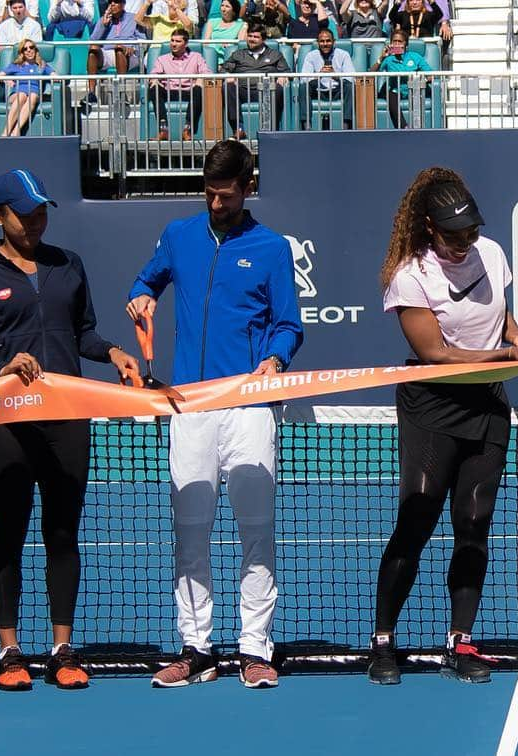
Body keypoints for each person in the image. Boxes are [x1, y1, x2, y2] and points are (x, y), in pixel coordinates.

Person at [0, 169, 138, 692]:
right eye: (24, 213)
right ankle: (9, 651)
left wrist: (115, 352)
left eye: (41, 211)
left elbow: (84, 334)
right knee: (8, 535)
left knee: (62, 534)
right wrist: (2, 366)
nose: (35, 221)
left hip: (66, 422)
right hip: (8, 423)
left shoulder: (68, 265)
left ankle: (62, 648)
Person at [127, 140, 303, 690]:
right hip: (190, 408)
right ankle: (196, 648)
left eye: (225, 194)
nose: (216, 203)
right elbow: (145, 281)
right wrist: (141, 298)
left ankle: (255, 648)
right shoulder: (179, 236)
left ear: (247, 188)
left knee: (256, 531)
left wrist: (275, 358)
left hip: (249, 409)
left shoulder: (272, 249)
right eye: (208, 192)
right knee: (191, 531)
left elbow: (289, 324)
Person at [368, 168, 518, 685]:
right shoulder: (410, 275)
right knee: (416, 525)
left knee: (474, 527)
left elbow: (504, 320)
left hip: (486, 408)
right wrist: (505, 354)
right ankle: (382, 643)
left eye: (470, 233)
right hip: (431, 411)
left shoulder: (491, 254)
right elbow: (435, 353)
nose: (465, 244)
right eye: (453, 236)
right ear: (428, 228)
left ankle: (460, 642)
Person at [221, 23, 288, 136]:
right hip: (242, 90)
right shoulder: (238, 54)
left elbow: (286, 71)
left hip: (265, 90)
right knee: (228, 87)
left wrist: (282, 76)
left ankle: (271, 129)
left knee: (277, 89)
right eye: (250, 36)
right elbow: (223, 69)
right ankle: (238, 129)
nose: (252, 39)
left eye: (256, 37)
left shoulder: (275, 54)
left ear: (264, 39)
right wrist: (228, 75)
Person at [149, 28, 209, 140]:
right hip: (169, 90)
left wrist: (200, 79)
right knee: (153, 88)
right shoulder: (162, 59)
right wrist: (154, 79)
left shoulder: (196, 57)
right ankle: (163, 130)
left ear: (185, 43)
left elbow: (206, 72)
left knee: (198, 89)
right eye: (172, 40)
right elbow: (153, 73)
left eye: (178, 41)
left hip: (189, 91)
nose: (173, 44)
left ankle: (188, 129)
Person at [87, 0, 146, 104]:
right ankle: (91, 93)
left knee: (119, 49)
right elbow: (92, 41)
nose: (112, 4)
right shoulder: (104, 20)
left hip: (129, 55)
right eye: (110, 2)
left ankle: (122, 93)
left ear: (123, 4)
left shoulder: (134, 18)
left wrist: (133, 48)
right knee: (93, 49)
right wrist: (103, 25)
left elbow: (143, 41)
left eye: (116, 2)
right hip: (108, 54)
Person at [371, 28, 432, 128]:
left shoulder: (415, 57)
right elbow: (371, 74)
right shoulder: (388, 59)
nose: (397, 44)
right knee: (390, 94)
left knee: (419, 92)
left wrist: (421, 81)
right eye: (394, 42)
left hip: (412, 89)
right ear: (390, 44)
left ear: (406, 45)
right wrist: (382, 57)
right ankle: (404, 127)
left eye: (400, 42)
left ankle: (419, 127)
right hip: (395, 91)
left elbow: (431, 75)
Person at [0, 38, 58, 136]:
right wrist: (6, 79)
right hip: (17, 94)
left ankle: (16, 130)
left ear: (35, 50)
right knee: (22, 95)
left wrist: (55, 78)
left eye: (31, 47)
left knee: (33, 96)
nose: (29, 50)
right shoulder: (16, 65)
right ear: (22, 53)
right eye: (25, 49)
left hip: (33, 93)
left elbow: (55, 75)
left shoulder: (42, 65)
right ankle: (6, 132)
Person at [300, 28, 355, 129]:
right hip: (319, 90)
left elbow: (351, 78)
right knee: (304, 86)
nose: (325, 44)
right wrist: (319, 75)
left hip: (338, 90)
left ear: (334, 42)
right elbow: (303, 78)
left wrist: (335, 75)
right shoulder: (311, 56)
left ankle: (346, 124)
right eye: (322, 41)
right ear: (318, 42)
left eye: (328, 41)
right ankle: (306, 125)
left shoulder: (343, 54)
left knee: (349, 86)